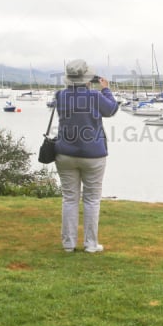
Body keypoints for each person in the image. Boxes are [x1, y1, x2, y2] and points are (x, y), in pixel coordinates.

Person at [54, 59, 118, 253]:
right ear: (88, 77)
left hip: (65, 152)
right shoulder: (94, 96)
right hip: (93, 154)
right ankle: (90, 245)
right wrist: (105, 89)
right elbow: (112, 109)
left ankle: (68, 244)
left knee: (70, 198)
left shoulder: (60, 96)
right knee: (91, 200)